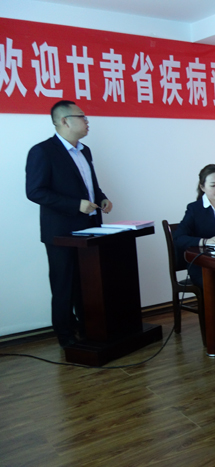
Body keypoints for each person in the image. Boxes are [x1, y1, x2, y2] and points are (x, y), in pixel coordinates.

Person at [26, 100, 113, 348]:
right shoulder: (43, 151)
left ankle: (87, 328)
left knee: (87, 283)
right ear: (65, 121)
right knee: (64, 284)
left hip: (90, 228)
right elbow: (35, 191)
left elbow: (90, 186)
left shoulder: (85, 151)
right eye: (82, 117)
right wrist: (76, 205)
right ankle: (65, 336)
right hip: (61, 233)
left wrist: (102, 197)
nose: (87, 121)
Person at [173, 164, 215, 288]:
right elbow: (178, 238)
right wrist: (205, 241)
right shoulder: (194, 209)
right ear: (202, 187)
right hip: (203, 265)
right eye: (213, 185)